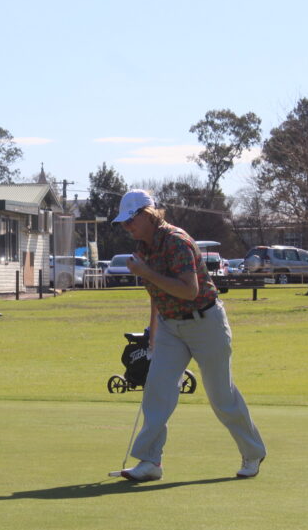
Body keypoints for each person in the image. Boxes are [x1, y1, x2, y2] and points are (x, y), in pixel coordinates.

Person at [112, 189, 266, 481]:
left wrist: (145, 272)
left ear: (147, 214)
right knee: (157, 391)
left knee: (222, 397)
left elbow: (188, 290)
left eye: (130, 220)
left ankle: (253, 451)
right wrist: (153, 335)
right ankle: (150, 462)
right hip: (170, 326)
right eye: (123, 223)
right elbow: (157, 296)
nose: (126, 227)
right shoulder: (143, 247)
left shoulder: (176, 242)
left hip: (205, 321)